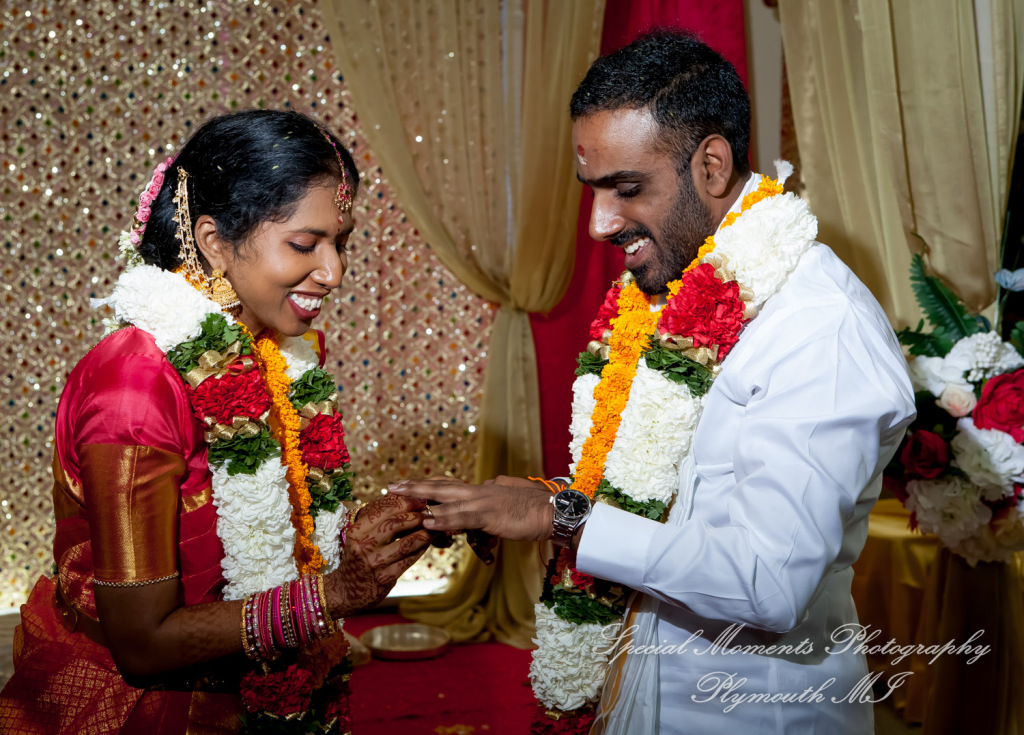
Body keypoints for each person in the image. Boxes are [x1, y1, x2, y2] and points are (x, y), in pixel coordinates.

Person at [391, 31, 915, 734]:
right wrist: (545, 498)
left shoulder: (819, 326)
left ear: (712, 163)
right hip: (635, 691)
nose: (601, 222)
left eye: (627, 188)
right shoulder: (669, 290)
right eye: (594, 190)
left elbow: (770, 580)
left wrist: (562, 520)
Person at [0, 109, 432, 733]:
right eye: (305, 245)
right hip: (142, 712)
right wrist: (334, 595)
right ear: (214, 241)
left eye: (342, 243)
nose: (334, 273)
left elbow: (270, 548)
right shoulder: (135, 382)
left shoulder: (274, 353)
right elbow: (142, 644)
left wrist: (362, 538)